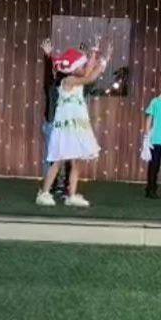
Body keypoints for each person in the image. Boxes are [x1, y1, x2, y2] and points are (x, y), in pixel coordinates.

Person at [35, 39, 110, 207]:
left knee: (77, 161)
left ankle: (72, 194)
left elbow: (89, 71)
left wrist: (97, 55)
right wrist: (100, 58)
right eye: (81, 65)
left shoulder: (77, 81)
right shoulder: (68, 81)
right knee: (58, 161)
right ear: (73, 68)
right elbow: (90, 76)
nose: (84, 67)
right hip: (65, 129)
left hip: (76, 128)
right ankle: (45, 192)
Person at [40, 39, 74, 196]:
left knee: (60, 157)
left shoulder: (67, 88)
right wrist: (48, 58)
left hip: (61, 125)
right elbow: (49, 77)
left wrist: (49, 58)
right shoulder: (53, 87)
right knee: (57, 157)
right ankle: (55, 186)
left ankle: (60, 186)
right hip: (53, 124)